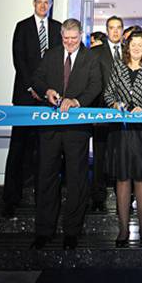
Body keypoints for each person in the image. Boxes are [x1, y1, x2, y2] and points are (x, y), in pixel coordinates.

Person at [30, 18, 102, 250]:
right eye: (66, 39)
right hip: (50, 128)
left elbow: (95, 86)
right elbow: (37, 79)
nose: (70, 43)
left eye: (74, 38)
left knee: (76, 179)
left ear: (81, 35)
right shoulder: (51, 55)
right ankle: (43, 231)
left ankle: (72, 231)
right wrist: (47, 90)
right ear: (61, 36)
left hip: (76, 130)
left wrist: (76, 101)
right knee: (46, 178)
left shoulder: (91, 58)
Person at [2, 0, 61, 218]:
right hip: (26, 97)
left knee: (45, 151)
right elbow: (19, 61)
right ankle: (10, 199)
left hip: (47, 100)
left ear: (50, 4)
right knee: (17, 149)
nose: (43, 6)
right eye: (40, 2)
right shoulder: (22, 26)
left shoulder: (57, 28)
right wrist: (34, 88)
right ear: (33, 3)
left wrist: (47, 91)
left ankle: (41, 199)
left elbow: (57, 63)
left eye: (47, 3)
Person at [103, 29, 142, 247]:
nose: (136, 48)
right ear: (127, 47)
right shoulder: (117, 66)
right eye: (132, 44)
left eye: (140, 44)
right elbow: (108, 93)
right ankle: (123, 228)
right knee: (122, 178)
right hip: (121, 131)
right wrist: (116, 104)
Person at [91, 15, 125, 211]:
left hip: (125, 115)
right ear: (106, 30)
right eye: (111, 28)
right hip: (103, 113)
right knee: (100, 157)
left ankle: (124, 196)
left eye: (118, 27)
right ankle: (98, 196)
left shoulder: (130, 52)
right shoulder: (96, 53)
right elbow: (95, 84)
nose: (115, 31)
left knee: (123, 156)